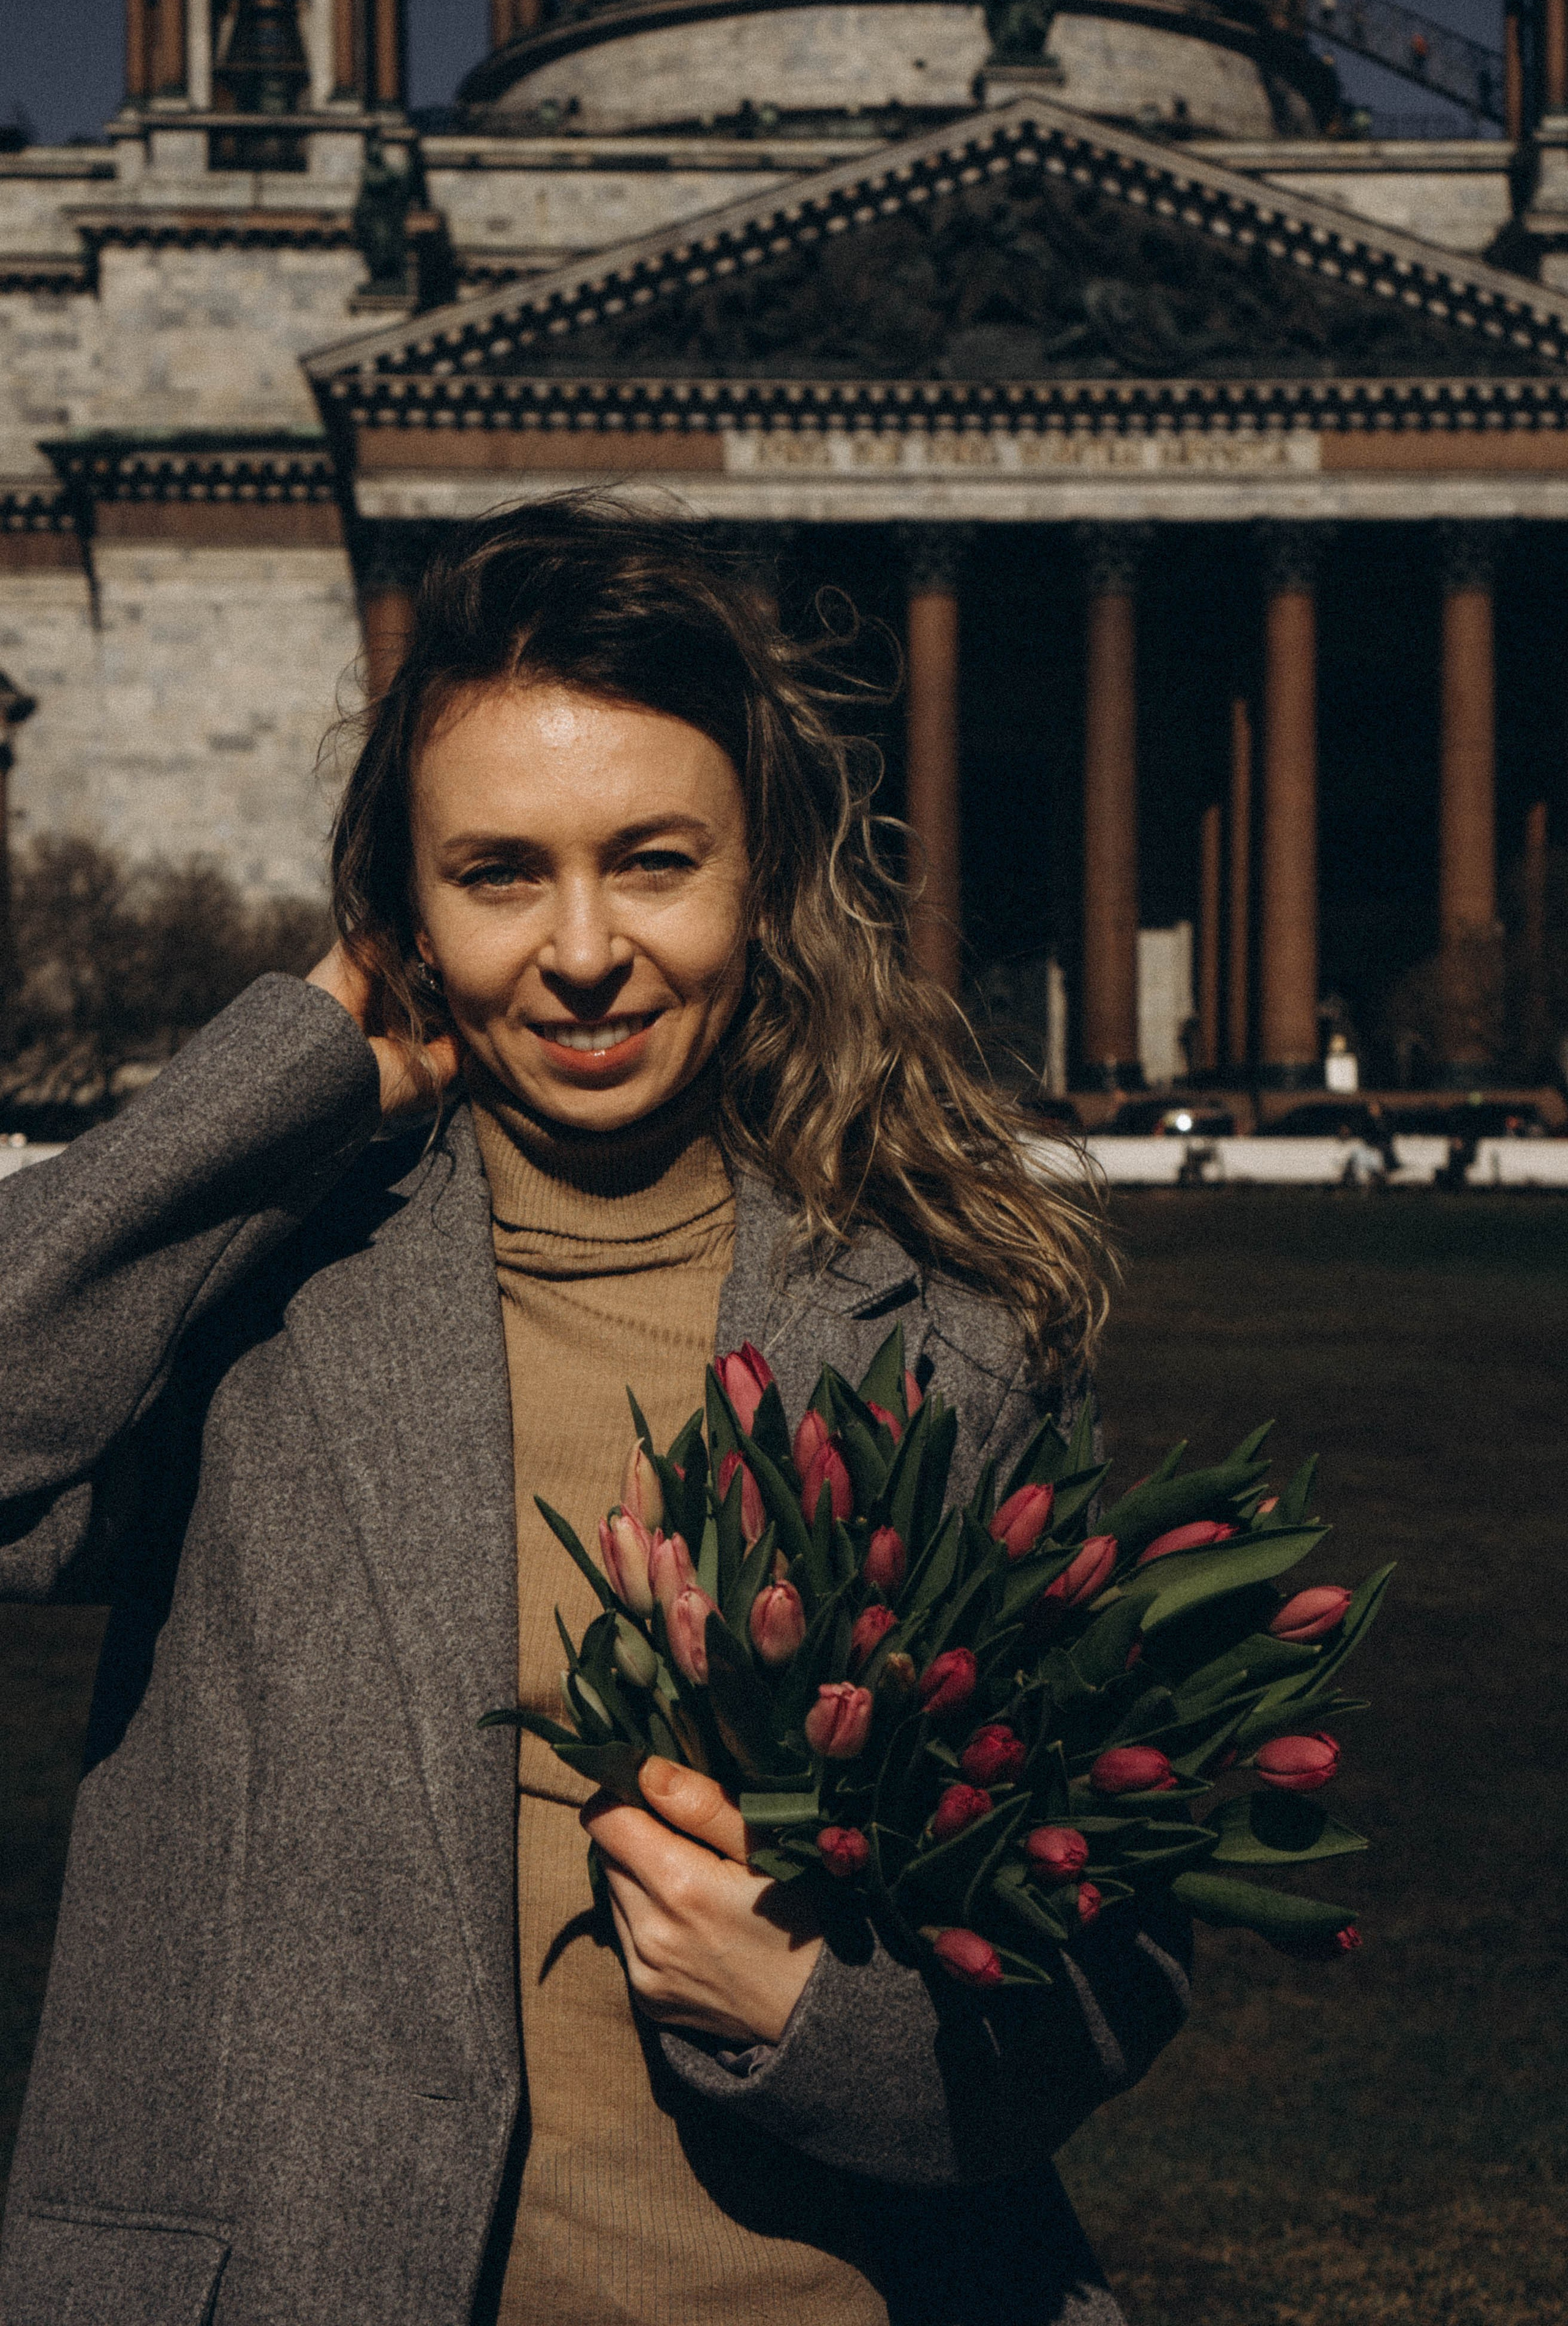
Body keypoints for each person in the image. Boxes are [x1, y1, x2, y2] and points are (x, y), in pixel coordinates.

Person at [0, 499, 1191, 2326]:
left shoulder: (954, 1334)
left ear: (762, 876)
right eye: (496, 874)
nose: (580, 952)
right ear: (401, 904)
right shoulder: (258, 1293)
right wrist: (294, 1057)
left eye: (651, 862)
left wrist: (814, 2018)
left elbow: (1111, 1952)